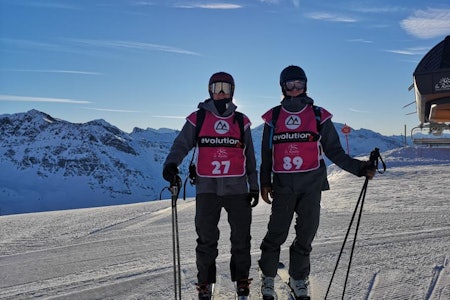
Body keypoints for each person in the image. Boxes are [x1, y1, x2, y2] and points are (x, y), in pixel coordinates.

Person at [258, 65, 376, 299]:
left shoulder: (318, 114)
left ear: (305, 85)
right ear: (282, 87)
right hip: (283, 185)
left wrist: (360, 168)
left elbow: (334, 151)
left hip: (311, 185)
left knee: (306, 234)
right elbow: (266, 154)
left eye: (298, 84)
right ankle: (268, 277)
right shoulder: (273, 117)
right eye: (289, 84)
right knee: (276, 234)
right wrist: (265, 182)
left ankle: (298, 278)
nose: (294, 89)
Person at [162, 72, 259, 299]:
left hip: (238, 189)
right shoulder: (198, 118)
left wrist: (253, 186)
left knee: (241, 238)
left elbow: (251, 158)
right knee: (206, 239)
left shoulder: (241, 120)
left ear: (233, 91)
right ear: (210, 90)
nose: (221, 92)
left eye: (226, 88)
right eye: (217, 88)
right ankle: (205, 282)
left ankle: (241, 280)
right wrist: (171, 164)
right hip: (207, 189)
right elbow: (181, 144)